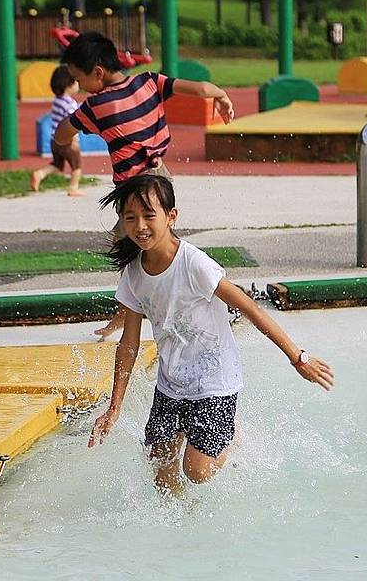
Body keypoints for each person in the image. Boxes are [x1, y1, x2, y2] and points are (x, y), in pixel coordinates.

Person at [88, 174, 334, 495]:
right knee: (158, 465)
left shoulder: (193, 264)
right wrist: (114, 406)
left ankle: (229, 436)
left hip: (214, 381)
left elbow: (252, 310)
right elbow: (129, 344)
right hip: (171, 382)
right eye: (130, 217)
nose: (140, 226)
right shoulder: (134, 272)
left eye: (149, 216)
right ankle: (185, 524)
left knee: (197, 472)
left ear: (171, 216)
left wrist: (297, 356)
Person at [53, 31, 234, 339]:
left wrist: (66, 139)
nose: (80, 86)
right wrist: (222, 97)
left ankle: (138, 311)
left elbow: (61, 134)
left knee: (132, 248)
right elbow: (203, 89)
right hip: (161, 177)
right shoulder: (148, 81)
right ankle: (208, 300)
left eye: (78, 79)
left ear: (97, 73)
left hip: (135, 190)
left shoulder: (96, 106)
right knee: (155, 244)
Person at [30, 65, 85, 197]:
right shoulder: (70, 104)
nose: (78, 84)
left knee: (57, 165)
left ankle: (40, 174)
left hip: (55, 140)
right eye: (76, 81)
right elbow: (72, 123)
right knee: (77, 166)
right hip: (68, 141)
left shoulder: (57, 101)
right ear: (69, 84)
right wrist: (75, 140)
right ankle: (73, 187)